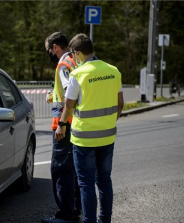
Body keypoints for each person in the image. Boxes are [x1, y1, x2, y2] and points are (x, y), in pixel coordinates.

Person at [55, 33, 124, 223]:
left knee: (86, 184)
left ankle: (89, 221)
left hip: (84, 139)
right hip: (108, 137)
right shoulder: (113, 71)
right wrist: (107, 123)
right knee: (104, 181)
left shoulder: (78, 74)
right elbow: (120, 104)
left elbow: (69, 106)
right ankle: (105, 220)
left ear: (77, 53)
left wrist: (61, 125)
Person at [42, 31, 81, 223]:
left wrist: (62, 125)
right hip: (77, 124)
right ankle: (76, 210)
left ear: (55, 47)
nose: (49, 53)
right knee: (73, 169)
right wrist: (53, 94)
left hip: (64, 126)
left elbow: (69, 95)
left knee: (60, 169)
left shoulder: (63, 65)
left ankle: (65, 216)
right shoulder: (76, 60)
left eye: (48, 49)